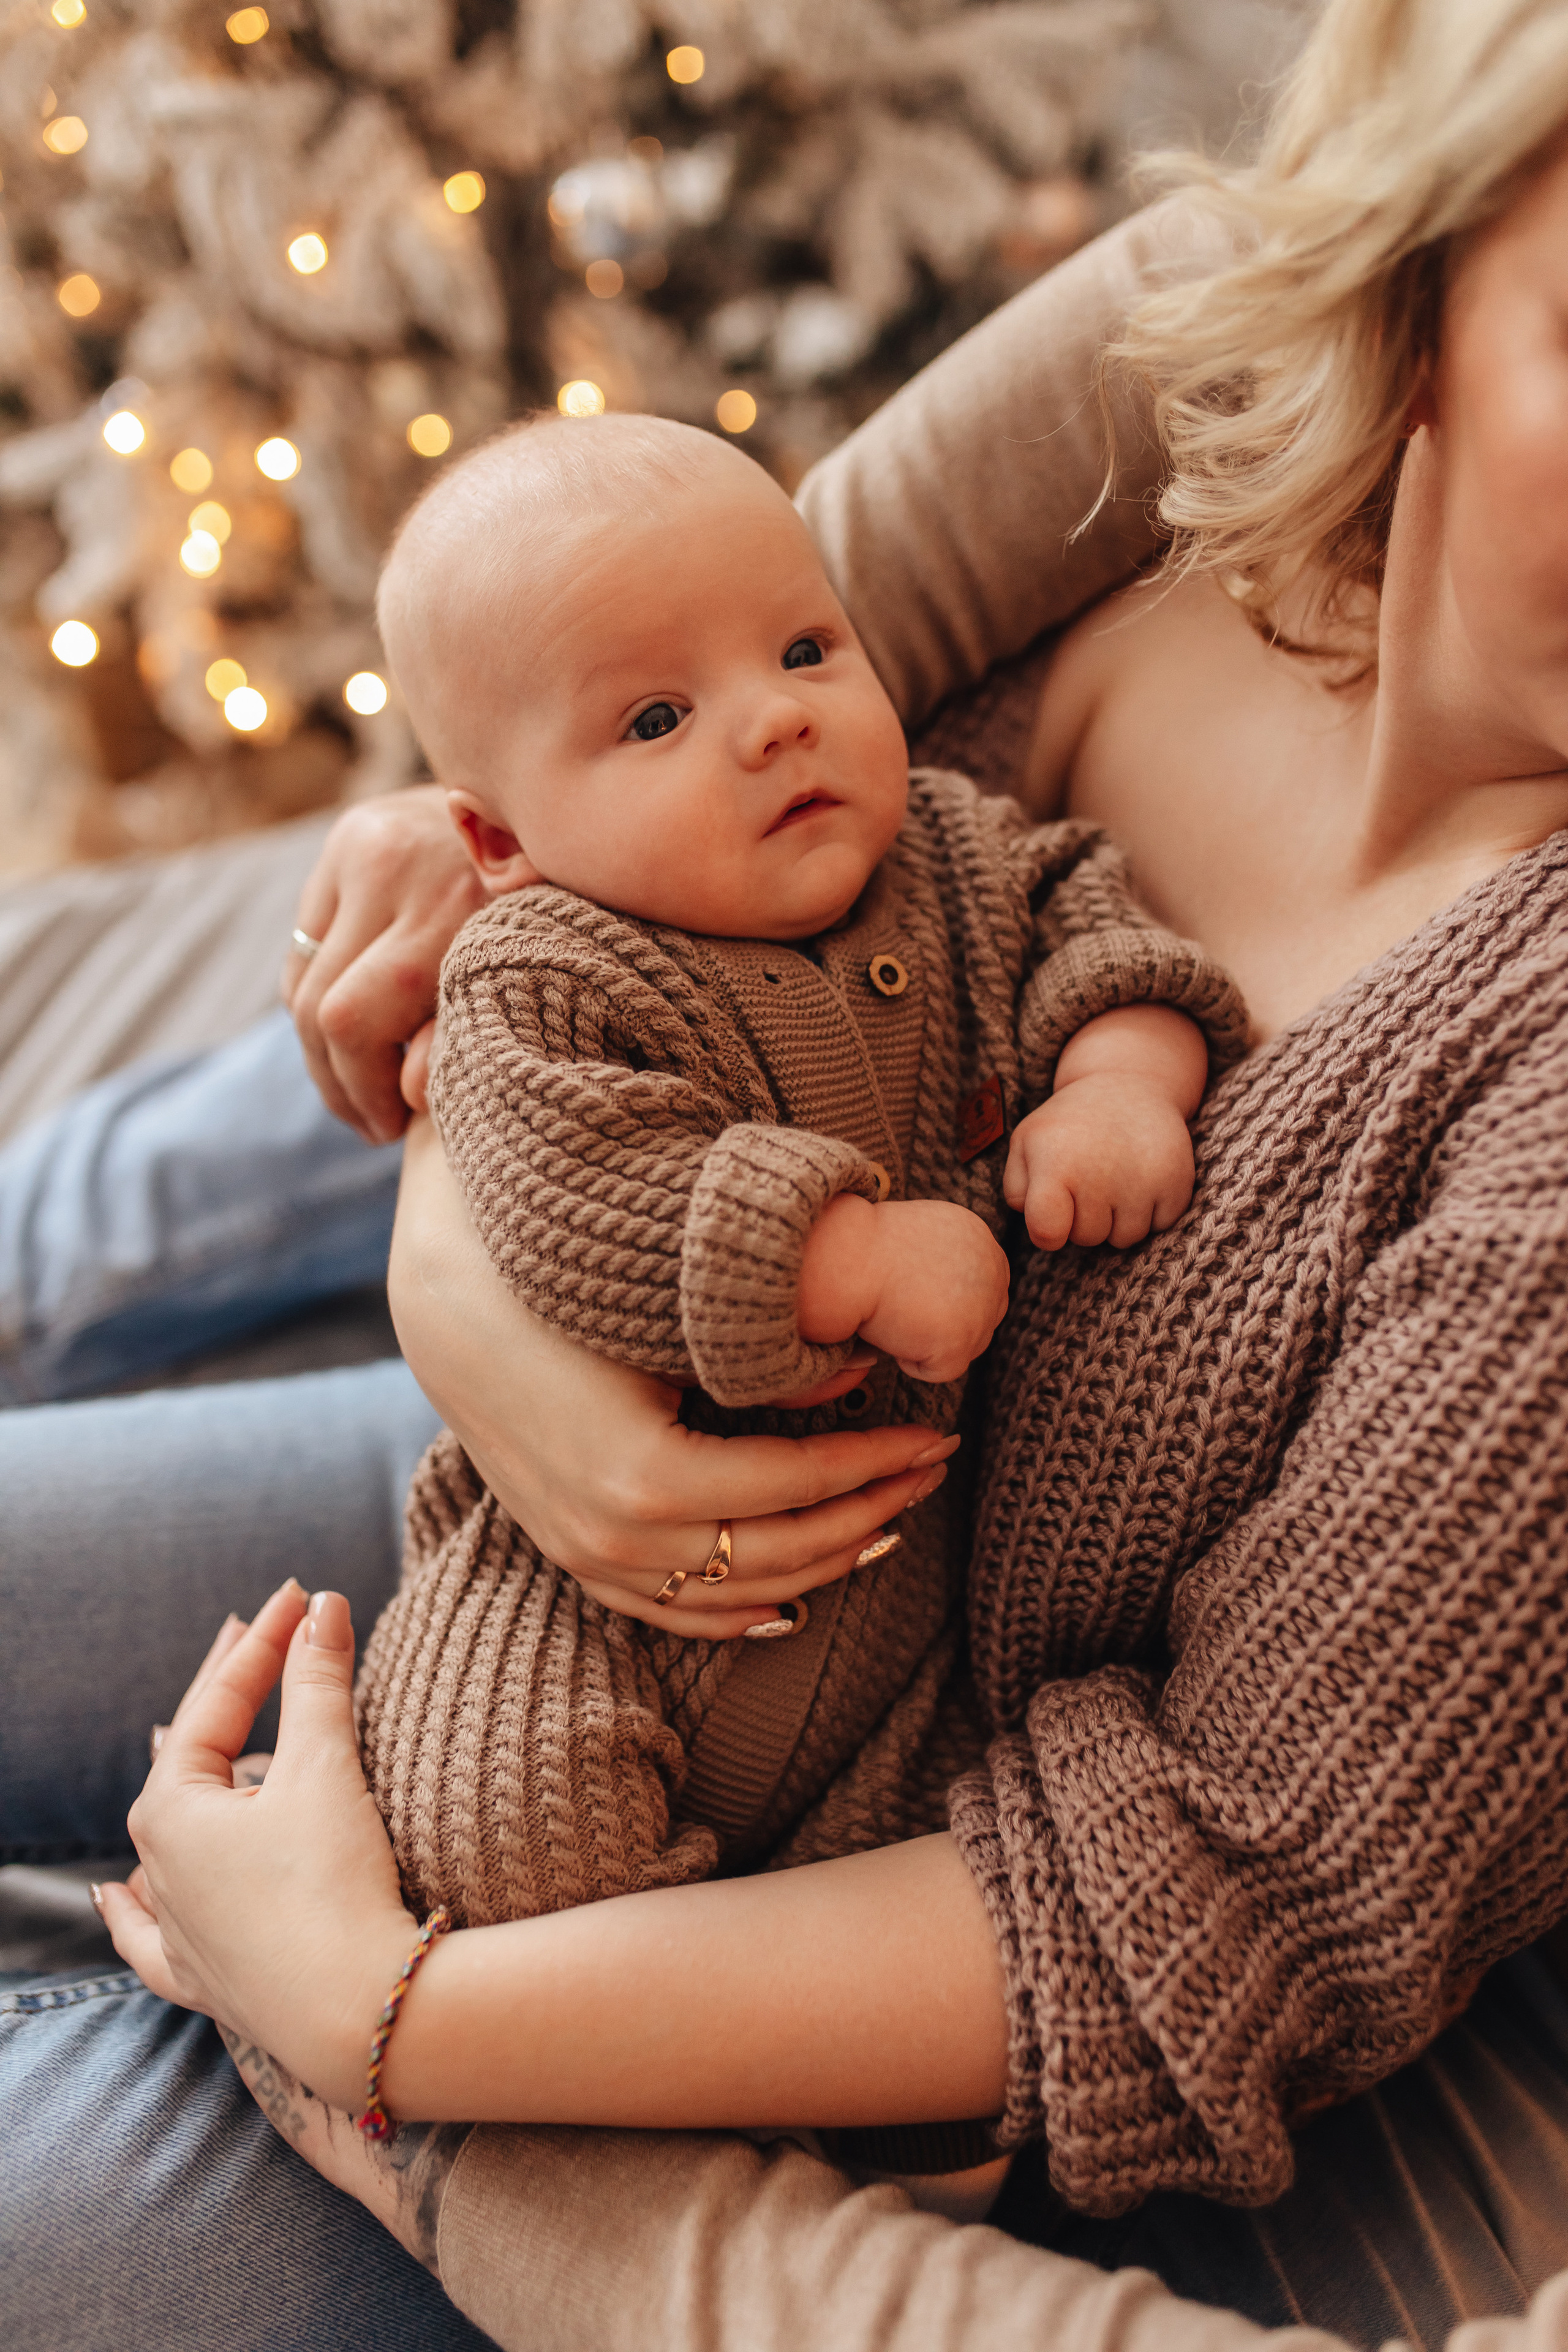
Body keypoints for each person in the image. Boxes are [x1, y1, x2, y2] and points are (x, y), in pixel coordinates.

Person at [8, 2, 1568, 2345]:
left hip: (881, 1872)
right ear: (1436, 258)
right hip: (568, 1509)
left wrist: (385, 2007)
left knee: (48, 2139)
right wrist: (488, 1315)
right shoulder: (1193, 353)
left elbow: (1235, 1880)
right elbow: (603, 696)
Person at [358, 410, 1242, 2047]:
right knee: (509, 1812)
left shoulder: (960, 860)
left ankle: (754, 2092)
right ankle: (556, 2039)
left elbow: (1098, 922)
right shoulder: (544, 971)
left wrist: (1120, 1087)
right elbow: (576, 1191)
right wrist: (838, 1259)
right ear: (496, 843)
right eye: (657, 716)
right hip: (578, 1610)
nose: (775, 723)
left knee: (908, 1842)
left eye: (804, 646)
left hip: (901, 1621)